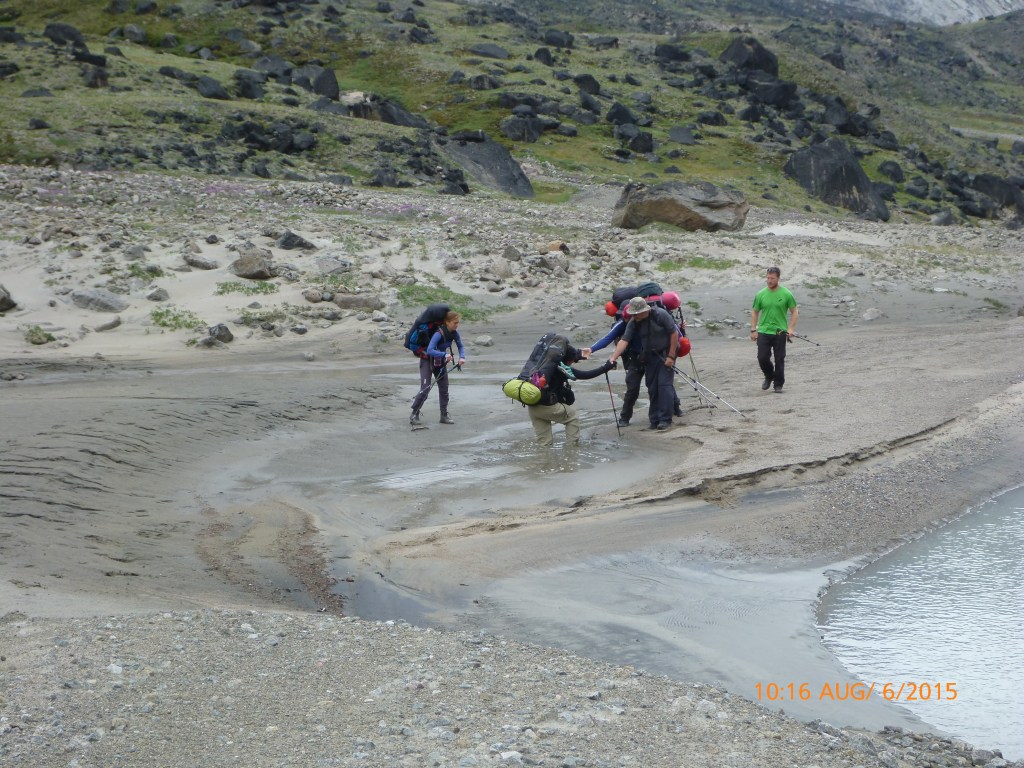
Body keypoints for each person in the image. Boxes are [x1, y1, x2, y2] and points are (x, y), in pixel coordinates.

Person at [584, 298, 682, 427]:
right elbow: (624, 340)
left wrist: (670, 356)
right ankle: (655, 420)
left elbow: (674, 333)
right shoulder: (633, 321)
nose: (634, 316)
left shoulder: (660, 314)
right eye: (633, 314)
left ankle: (665, 419)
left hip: (666, 353)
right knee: (652, 388)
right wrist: (613, 358)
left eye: (636, 313)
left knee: (664, 385)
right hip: (649, 357)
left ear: (644, 310)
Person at [526, 340, 616, 448]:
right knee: (572, 417)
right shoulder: (562, 369)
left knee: (544, 445)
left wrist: (578, 356)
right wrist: (605, 367)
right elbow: (586, 375)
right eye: (572, 361)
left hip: (533, 406)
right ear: (567, 360)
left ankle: (544, 462)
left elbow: (570, 355)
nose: (573, 363)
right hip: (547, 406)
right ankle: (572, 450)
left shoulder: (544, 364)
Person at [410, 310, 466, 425]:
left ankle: (444, 415)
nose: (457, 325)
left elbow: (460, 345)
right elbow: (430, 350)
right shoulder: (439, 333)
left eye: (458, 322)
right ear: (447, 322)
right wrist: (444, 354)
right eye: (455, 322)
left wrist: (462, 357)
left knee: (444, 388)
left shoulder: (454, 333)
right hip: (427, 361)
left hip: (440, 362)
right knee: (426, 388)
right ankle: (414, 413)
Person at [750, 266, 799, 393]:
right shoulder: (761, 294)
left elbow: (794, 311)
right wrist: (753, 330)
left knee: (779, 359)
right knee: (762, 358)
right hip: (764, 331)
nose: (769, 280)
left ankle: (778, 384)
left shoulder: (786, 293)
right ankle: (769, 375)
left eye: (772, 278)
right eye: (768, 278)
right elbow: (755, 312)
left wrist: (791, 329)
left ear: (778, 278)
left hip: (780, 332)